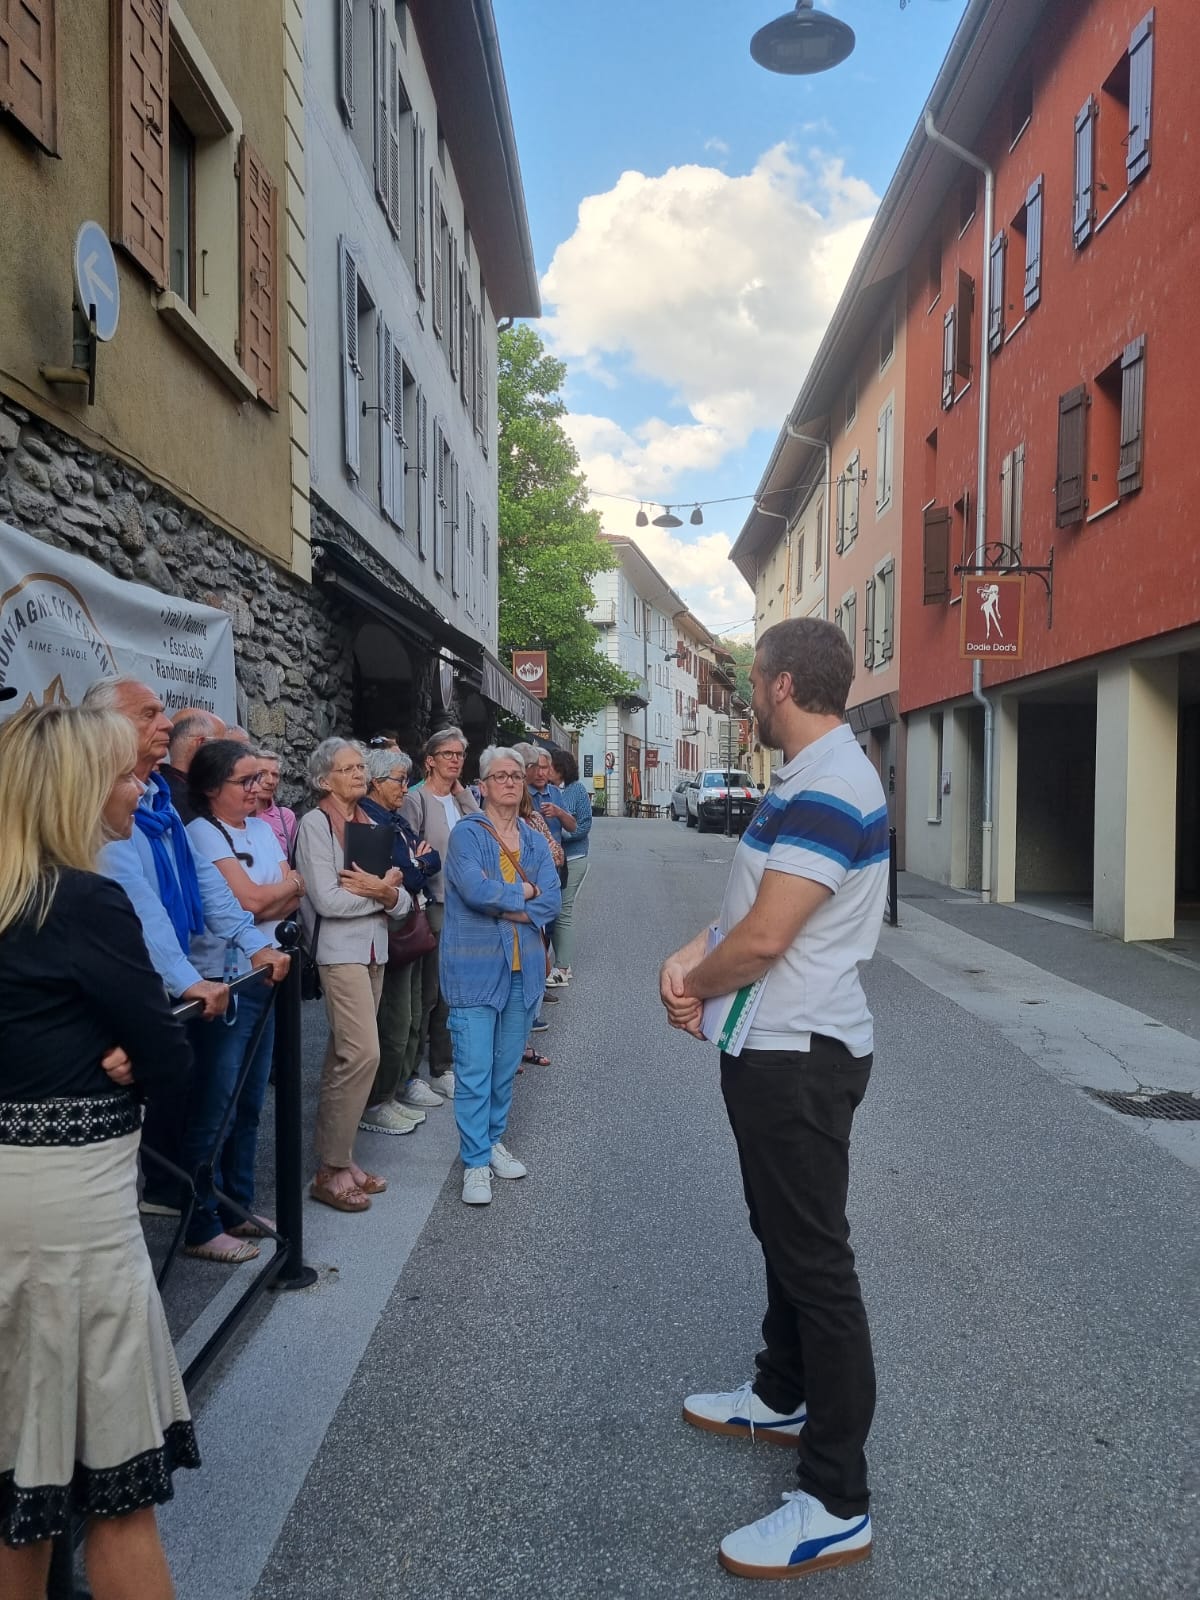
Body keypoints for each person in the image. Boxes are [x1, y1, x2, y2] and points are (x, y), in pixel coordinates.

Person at [659, 618, 887, 1580]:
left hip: (799, 1056)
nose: (747, 696)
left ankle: (836, 1502)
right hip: (770, 1049)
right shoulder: (802, 778)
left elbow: (764, 941)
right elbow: (744, 911)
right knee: (783, 1235)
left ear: (783, 684)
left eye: (753, 681)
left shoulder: (832, 784)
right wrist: (689, 954)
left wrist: (693, 984)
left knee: (817, 1265)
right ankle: (782, 1393)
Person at [0, 705, 197, 1599]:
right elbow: (169, 1057)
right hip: (73, 1210)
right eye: (124, 775)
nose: (139, 788)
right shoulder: (84, 901)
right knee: (118, 1490)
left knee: (20, 1476)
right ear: (76, 790)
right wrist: (127, 1052)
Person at [81, 677, 289, 1215]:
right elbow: (140, 904)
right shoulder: (101, 803)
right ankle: (189, 1219)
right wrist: (188, 978)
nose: (165, 725)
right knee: (174, 1109)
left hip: (172, 978)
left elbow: (205, 887)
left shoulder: (156, 798)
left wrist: (251, 942)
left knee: (197, 1101)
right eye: (149, 713)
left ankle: (200, 1209)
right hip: (133, 983)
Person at [181, 742, 301, 1263]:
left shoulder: (261, 829)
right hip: (224, 980)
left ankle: (238, 1205)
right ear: (212, 788)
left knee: (250, 1100)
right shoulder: (203, 832)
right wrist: (275, 891)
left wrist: (270, 895)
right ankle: (200, 1220)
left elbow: (295, 893)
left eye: (259, 778)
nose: (258, 788)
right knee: (218, 1104)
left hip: (263, 975)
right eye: (246, 780)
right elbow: (248, 902)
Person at [294, 738, 412, 1212]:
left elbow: (404, 901)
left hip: (374, 949)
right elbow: (326, 900)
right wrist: (381, 893)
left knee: (343, 1056)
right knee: (363, 1053)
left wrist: (385, 894)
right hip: (339, 952)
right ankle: (331, 1168)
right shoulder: (315, 824)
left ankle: (339, 1162)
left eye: (362, 766)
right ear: (324, 780)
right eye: (348, 768)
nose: (360, 774)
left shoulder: (370, 822)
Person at [440, 746, 560, 1206]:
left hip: (523, 971)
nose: (510, 782)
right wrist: (525, 892)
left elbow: (551, 900)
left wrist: (509, 903)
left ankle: (491, 1141)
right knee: (474, 1068)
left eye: (516, 775)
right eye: (500, 775)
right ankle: (474, 1162)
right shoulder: (468, 835)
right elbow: (474, 890)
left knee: (506, 1066)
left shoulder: (533, 838)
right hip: (474, 967)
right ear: (483, 785)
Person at [358, 747, 443, 1133]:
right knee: (395, 1017)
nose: (405, 788)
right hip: (393, 928)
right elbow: (400, 874)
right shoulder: (369, 822)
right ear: (376, 782)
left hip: (410, 921)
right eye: (399, 780)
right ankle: (378, 1100)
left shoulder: (395, 820)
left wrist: (417, 865)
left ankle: (397, 1087)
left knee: (413, 1011)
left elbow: (429, 861)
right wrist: (417, 865)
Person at [400, 725, 479, 1099]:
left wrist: (462, 794)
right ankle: (412, 1074)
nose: (455, 760)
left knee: (452, 991)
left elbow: (482, 830)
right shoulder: (416, 799)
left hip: (464, 903)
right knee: (428, 991)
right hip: (434, 903)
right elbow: (411, 850)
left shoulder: (460, 798)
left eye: (460, 754)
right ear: (429, 760)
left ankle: (443, 1066)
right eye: (448, 754)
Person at [547, 748, 591, 985]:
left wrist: (560, 836)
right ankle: (561, 962)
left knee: (563, 909)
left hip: (573, 857)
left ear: (561, 769)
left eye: (549, 767)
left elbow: (584, 825)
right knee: (553, 909)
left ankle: (562, 967)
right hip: (551, 860)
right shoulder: (547, 791)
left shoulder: (577, 791)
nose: (545, 771)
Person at [162, 710, 224, 821]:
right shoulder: (175, 798)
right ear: (201, 744)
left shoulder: (162, 787)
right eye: (222, 745)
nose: (226, 754)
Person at [253, 748, 298, 858]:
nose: (270, 781)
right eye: (261, 774)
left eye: (275, 775)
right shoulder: (236, 817)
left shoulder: (286, 817)